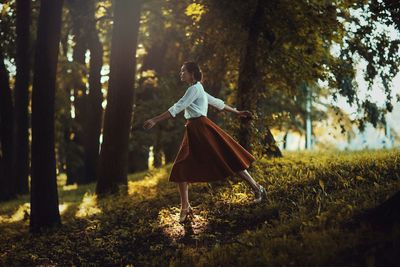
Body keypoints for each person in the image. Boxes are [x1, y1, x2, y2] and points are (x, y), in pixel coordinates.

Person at [143, 61, 267, 223]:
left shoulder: (194, 89)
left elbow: (178, 107)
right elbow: (216, 102)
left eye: (183, 71)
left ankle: (258, 188)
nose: (181, 74)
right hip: (194, 130)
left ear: (192, 73)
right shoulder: (197, 88)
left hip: (202, 129)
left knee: (226, 158)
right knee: (182, 166)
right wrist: (236, 112)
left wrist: (155, 120)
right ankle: (185, 207)